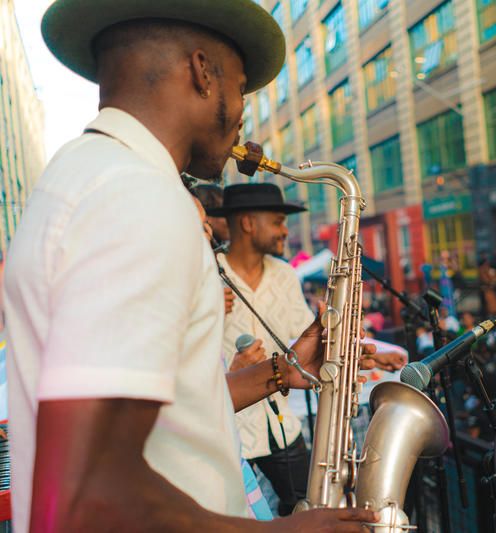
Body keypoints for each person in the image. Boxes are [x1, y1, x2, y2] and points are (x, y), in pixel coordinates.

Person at [3, 2, 379, 531]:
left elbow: (167, 413)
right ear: (202, 71)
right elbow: (85, 494)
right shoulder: (136, 196)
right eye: (243, 86)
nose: (245, 112)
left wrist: (281, 371)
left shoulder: (87, 175)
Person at [209, 183, 314, 516]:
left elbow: (304, 337)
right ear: (248, 223)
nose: (285, 231)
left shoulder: (284, 274)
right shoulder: (205, 271)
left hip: (280, 426)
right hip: (227, 429)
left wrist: (365, 350)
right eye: (279, 221)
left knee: (307, 506)